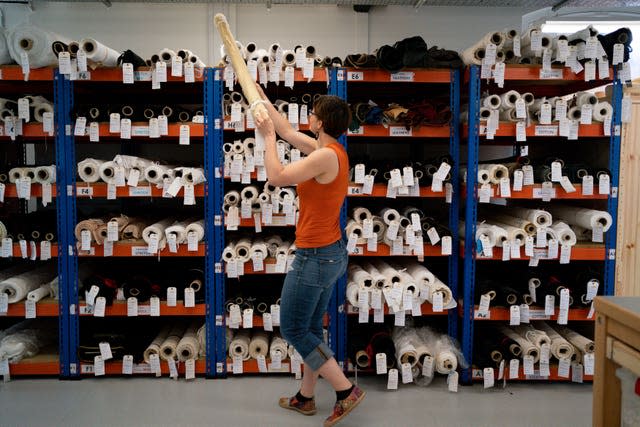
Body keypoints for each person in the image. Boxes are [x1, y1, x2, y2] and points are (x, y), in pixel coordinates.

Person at [254, 85, 365, 427]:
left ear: (320, 122)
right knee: (311, 328)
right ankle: (306, 397)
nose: (309, 116)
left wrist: (267, 137)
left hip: (315, 257)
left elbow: (276, 176)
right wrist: (258, 95)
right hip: (329, 254)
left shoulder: (324, 156)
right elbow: (289, 131)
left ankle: (346, 391)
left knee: (294, 328)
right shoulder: (329, 148)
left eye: (313, 113)